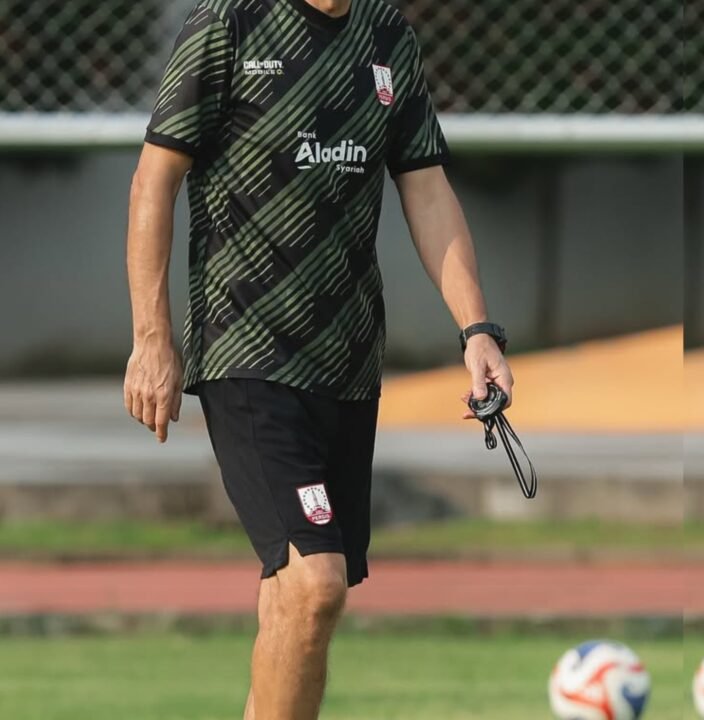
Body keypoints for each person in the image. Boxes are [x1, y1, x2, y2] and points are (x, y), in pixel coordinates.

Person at [123, 1, 513, 717]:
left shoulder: (387, 34)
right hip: (246, 353)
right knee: (315, 584)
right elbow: (154, 179)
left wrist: (477, 331)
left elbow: (426, 188)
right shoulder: (229, 24)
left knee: (291, 603)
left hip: (347, 363)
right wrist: (153, 339)